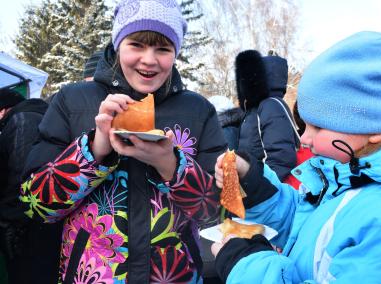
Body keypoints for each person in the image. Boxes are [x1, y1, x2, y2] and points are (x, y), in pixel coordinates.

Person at [19, 0, 227, 283]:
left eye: (163, 48)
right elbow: (36, 205)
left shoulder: (198, 111)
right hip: (93, 276)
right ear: (118, 44)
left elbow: (218, 213)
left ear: (175, 53)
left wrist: (169, 164)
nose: (150, 59)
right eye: (137, 45)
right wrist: (95, 149)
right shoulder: (72, 101)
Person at [212, 31, 381, 283]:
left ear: (375, 128)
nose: (304, 139)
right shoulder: (345, 176)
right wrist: (253, 182)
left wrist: (246, 265)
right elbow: (305, 221)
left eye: (318, 127)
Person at [0, 88, 62, 284]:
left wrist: (9, 221)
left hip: (28, 226)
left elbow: (22, 178)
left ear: (3, 110)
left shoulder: (22, 121)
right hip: (45, 219)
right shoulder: (40, 117)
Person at [236, 49, 297, 181]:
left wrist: (260, 189)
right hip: (256, 185)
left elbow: (281, 160)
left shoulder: (269, 106)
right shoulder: (254, 110)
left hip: (269, 192)